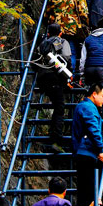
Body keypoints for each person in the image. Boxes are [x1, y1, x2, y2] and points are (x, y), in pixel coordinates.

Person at [71, 84, 103, 206]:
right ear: (94, 94)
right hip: (87, 152)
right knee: (88, 185)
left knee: (87, 184)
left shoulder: (86, 107)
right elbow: (94, 130)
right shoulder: (89, 108)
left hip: (84, 151)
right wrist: (100, 150)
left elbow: (98, 123)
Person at [34, 23, 71, 152]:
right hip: (55, 77)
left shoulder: (42, 43)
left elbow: (35, 60)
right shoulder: (62, 42)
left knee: (56, 104)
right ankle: (56, 140)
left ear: (48, 33)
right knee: (59, 108)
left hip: (42, 78)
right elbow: (67, 58)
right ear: (60, 33)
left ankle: (52, 136)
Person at [46, 0, 88, 73]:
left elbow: (47, 13)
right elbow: (83, 14)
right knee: (71, 52)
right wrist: (86, 25)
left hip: (56, 29)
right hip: (72, 29)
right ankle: (70, 75)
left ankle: (57, 74)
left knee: (55, 52)